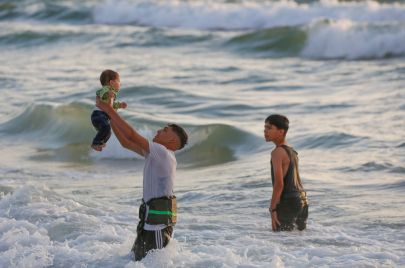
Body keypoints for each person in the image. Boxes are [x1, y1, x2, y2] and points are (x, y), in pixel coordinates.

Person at [96, 96, 188, 261]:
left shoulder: (163, 153)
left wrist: (108, 109)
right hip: (147, 224)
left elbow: (131, 135)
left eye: (165, 131)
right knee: (135, 262)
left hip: (158, 228)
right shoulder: (156, 155)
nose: (159, 131)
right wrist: (110, 118)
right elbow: (126, 142)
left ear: (172, 141)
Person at [264, 114, 308, 231]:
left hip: (288, 202)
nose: (265, 131)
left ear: (281, 132)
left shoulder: (277, 152)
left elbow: (279, 184)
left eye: (269, 128)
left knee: (281, 241)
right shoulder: (292, 151)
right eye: (265, 128)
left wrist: (272, 209)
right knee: (296, 242)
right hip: (302, 200)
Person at [91, 69, 127, 151]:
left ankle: (100, 143)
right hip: (98, 114)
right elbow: (101, 93)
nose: (120, 84)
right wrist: (108, 94)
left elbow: (111, 105)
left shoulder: (112, 94)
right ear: (111, 83)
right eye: (119, 82)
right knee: (106, 128)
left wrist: (120, 105)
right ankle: (95, 143)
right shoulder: (106, 89)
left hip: (103, 117)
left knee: (108, 132)